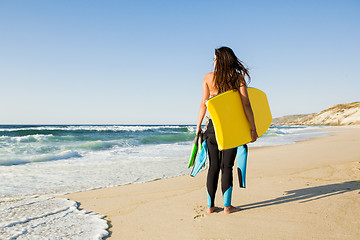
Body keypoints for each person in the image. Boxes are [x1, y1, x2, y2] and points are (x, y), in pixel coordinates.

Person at [196, 46, 258, 214]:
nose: (213, 62)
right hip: (230, 130)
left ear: (220, 60)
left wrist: (198, 127)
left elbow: (204, 103)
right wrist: (253, 129)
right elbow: (246, 104)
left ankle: (210, 207)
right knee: (227, 167)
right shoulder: (237, 78)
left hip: (212, 129)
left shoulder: (208, 78)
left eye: (215, 59)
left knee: (213, 167)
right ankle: (227, 206)